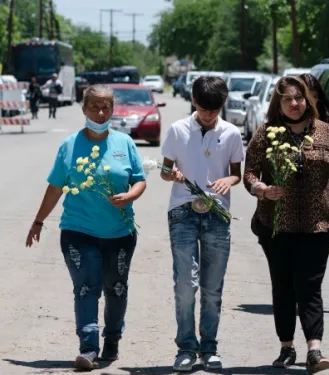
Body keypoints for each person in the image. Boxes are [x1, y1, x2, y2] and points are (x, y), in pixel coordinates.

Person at [25, 84, 147, 370]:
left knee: (116, 288)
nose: (101, 113)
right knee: (86, 287)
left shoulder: (125, 143)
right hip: (78, 232)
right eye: (95, 106)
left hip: (120, 233)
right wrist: (38, 220)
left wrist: (130, 195)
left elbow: (140, 179)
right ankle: (89, 348)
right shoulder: (69, 146)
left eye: (106, 107)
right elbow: (55, 188)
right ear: (84, 108)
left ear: (113, 109)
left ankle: (112, 342)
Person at [243, 76, 329, 373]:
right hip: (275, 224)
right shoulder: (266, 133)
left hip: (317, 224)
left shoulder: (327, 133)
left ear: (308, 101)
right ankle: (287, 347)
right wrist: (262, 189)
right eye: (287, 99)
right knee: (283, 286)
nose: (294, 104)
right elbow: (248, 174)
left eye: (299, 98)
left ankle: (314, 349)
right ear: (278, 103)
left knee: (309, 286)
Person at [161, 76, 244, 372]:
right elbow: (164, 170)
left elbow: (237, 173)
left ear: (222, 105)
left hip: (217, 215)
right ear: (194, 101)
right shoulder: (178, 129)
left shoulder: (232, 133)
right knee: (186, 284)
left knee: (212, 287)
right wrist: (174, 176)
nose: (209, 115)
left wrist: (228, 180)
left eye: (215, 109)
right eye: (204, 108)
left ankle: (209, 348)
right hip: (183, 212)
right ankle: (185, 347)